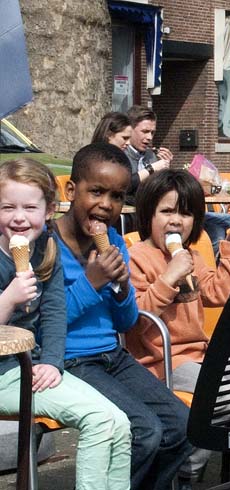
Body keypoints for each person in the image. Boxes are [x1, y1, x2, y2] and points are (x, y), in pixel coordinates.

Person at [54, 143, 191, 490]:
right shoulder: (47, 245)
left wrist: (121, 286)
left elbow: (126, 321)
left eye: (116, 196)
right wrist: (90, 282)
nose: (105, 205)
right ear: (72, 190)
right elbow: (45, 321)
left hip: (112, 357)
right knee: (144, 430)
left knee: (182, 425)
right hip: (69, 361)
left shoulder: (114, 240)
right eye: (96, 192)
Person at [0, 158, 131, 490]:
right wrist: (9, 298)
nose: (18, 217)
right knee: (99, 419)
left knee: (120, 422)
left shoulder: (46, 249)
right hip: (2, 375)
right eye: (7, 207)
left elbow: (56, 312)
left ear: (48, 212)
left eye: (30, 207)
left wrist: (53, 363)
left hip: (30, 366)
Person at [125, 169, 230, 482]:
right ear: (147, 215)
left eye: (186, 213)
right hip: (161, 362)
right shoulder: (136, 255)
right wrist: (168, 277)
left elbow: (219, 293)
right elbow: (134, 316)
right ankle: (185, 472)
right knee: (226, 397)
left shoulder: (193, 255)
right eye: (166, 211)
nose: (176, 220)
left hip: (199, 356)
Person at [124, 105, 172, 203]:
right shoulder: (120, 154)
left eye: (152, 132)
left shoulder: (151, 156)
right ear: (130, 130)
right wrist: (151, 169)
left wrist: (165, 172)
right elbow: (123, 187)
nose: (149, 137)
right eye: (145, 131)